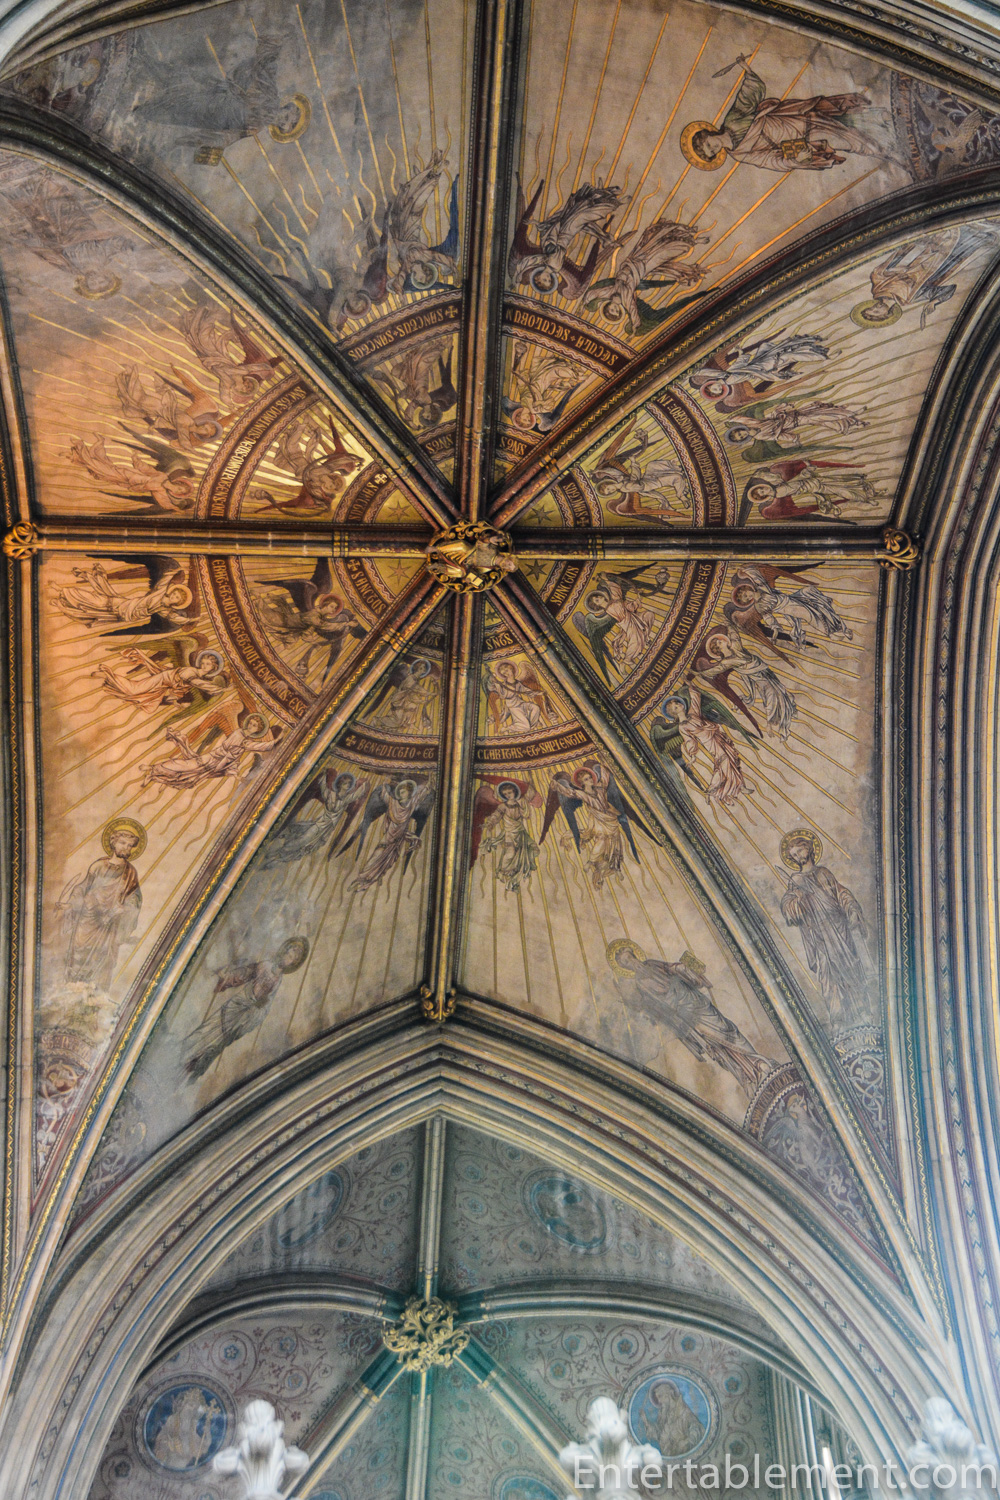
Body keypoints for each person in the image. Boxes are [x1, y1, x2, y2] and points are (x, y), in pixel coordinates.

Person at [608, 940, 773, 1096]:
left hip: (695, 1001)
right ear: (626, 968)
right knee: (716, 1046)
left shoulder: (651, 964)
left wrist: (687, 969)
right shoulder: (640, 983)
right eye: (627, 962)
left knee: (727, 1029)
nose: (633, 962)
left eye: (631, 957)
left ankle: (757, 1061)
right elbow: (657, 1006)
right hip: (687, 1015)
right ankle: (748, 1076)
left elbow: (671, 968)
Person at [182, 936, 309, 1079]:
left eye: (291, 958)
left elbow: (267, 1004)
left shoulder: (278, 980)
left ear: (293, 963)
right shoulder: (265, 965)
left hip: (247, 1015)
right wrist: (228, 977)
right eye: (287, 953)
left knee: (220, 1041)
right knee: (211, 1026)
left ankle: (196, 1063)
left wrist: (256, 1013)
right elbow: (246, 973)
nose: (287, 957)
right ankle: (184, 1050)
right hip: (238, 1003)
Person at [779, 830, 869, 1026]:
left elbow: (840, 893)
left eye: (799, 852)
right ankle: (838, 1018)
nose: (797, 857)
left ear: (809, 849)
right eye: (793, 855)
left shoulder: (823, 873)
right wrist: (798, 900)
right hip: (818, 935)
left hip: (838, 928)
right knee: (828, 974)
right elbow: (788, 906)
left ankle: (861, 1011)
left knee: (850, 967)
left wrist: (852, 908)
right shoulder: (795, 880)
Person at [57, 819, 145, 990]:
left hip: (109, 922)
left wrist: (124, 908)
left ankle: (93, 992)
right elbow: (83, 887)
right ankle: (73, 988)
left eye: (129, 845)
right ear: (113, 843)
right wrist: (71, 904)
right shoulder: (98, 865)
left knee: (102, 957)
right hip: (88, 918)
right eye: (122, 843)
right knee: (80, 951)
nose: (126, 848)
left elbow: (135, 899)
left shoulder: (130, 872)